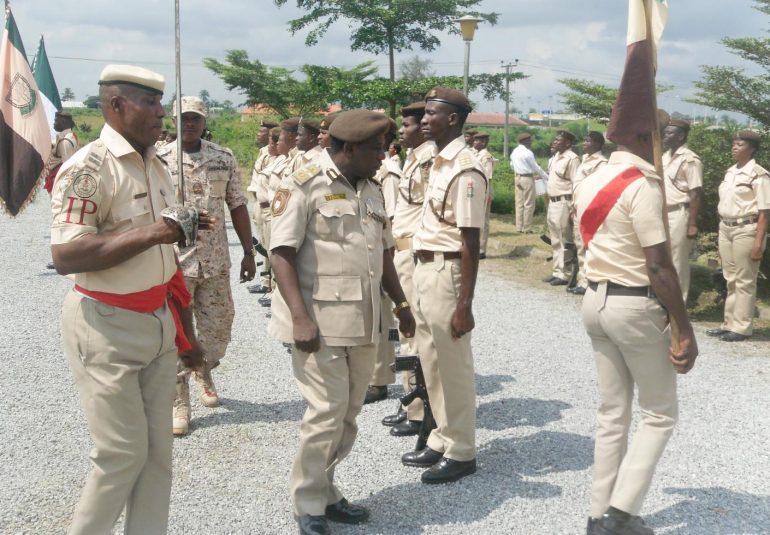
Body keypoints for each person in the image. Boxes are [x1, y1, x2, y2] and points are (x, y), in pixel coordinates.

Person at [50, 64, 209, 535]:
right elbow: (66, 253)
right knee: (121, 455)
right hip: (107, 325)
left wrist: (186, 332)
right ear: (116, 105)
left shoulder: (157, 162)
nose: (163, 112)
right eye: (151, 103)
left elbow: (166, 260)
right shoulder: (89, 167)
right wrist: (159, 231)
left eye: (162, 102)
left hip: (157, 323)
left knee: (158, 455)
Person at [268, 109, 415, 535]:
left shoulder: (370, 186)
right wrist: (299, 317)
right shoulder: (306, 183)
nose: (383, 156)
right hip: (319, 320)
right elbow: (281, 253)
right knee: (326, 412)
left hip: (363, 319)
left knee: (348, 413)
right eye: (375, 148)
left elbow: (384, 251)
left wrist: (402, 306)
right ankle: (308, 503)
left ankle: (327, 489)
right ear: (348, 147)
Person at [574, 111, 698, 535]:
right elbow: (660, 267)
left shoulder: (589, 177)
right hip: (634, 305)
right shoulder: (642, 185)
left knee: (613, 412)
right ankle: (620, 514)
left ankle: (598, 512)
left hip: (595, 298)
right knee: (660, 413)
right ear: (648, 138)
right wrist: (684, 327)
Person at [400, 87, 486, 484]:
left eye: (431, 114)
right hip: (424, 268)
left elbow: (470, 241)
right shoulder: (438, 161)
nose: (424, 121)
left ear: (452, 119)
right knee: (430, 360)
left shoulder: (465, 168)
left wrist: (464, 304)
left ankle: (463, 450)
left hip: (447, 272)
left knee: (453, 366)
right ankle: (441, 435)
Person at [158, 96, 256, 435]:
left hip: (214, 262)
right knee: (175, 335)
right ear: (173, 120)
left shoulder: (222, 157)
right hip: (173, 265)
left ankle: (203, 366)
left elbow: (238, 206)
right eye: (183, 118)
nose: (189, 123)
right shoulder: (156, 160)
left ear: (204, 120)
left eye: (195, 118)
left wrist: (248, 251)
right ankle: (178, 399)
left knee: (219, 332)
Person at [381, 100, 435, 436]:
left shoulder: (430, 160)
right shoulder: (414, 158)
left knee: (414, 333)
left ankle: (420, 411)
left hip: (414, 251)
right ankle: (411, 401)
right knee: (405, 334)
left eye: (409, 124)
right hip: (401, 251)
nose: (402, 131)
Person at [706, 130, 770, 342]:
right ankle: (729, 324)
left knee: (744, 279)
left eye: (740, 144)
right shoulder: (731, 172)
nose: (734, 147)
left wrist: (758, 242)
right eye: (733, 143)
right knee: (730, 278)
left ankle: (742, 327)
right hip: (726, 227)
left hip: (747, 229)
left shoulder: (758, 175)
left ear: (751, 149)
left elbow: (764, 212)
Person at [365, 119, 402, 405]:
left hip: (384, 252)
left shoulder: (386, 175)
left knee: (382, 318)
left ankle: (380, 380)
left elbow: (390, 215)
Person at [662, 119, 703, 302]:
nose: (665, 135)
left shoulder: (690, 160)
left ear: (681, 136)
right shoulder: (663, 156)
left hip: (679, 212)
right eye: (665, 132)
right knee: (662, 258)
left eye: (670, 133)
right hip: (662, 212)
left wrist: (692, 224)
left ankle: (678, 304)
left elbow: (695, 193)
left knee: (677, 262)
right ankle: (663, 300)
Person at [569, 131, 608, 295]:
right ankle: (582, 280)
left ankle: (588, 282)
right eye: (584, 140)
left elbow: (599, 188)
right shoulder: (584, 160)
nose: (584, 143)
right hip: (578, 207)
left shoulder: (601, 163)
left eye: (588, 140)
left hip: (590, 209)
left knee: (589, 245)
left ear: (598, 144)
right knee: (580, 245)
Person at [544, 131, 580, 286]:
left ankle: (565, 273)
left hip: (564, 202)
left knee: (564, 239)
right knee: (555, 239)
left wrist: (574, 207)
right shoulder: (554, 158)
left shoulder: (572, 159)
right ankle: (557, 271)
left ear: (568, 143)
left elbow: (576, 183)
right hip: (552, 202)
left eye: (559, 140)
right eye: (556, 138)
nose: (555, 142)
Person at [247, 120, 278, 295]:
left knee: (270, 246)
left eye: (261, 132)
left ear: (270, 134)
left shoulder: (276, 154)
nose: (258, 135)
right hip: (259, 202)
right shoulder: (263, 152)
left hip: (269, 206)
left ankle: (270, 285)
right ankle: (265, 280)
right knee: (262, 242)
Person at [510, 132, 548, 233]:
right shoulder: (528, 153)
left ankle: (519, 227)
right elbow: (536, 167)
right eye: (530, 140)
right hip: (527, 178)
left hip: (517, 177)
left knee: (519, 203)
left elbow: (512, 165)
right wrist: (546, 177)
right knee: (529, 203)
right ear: (525, 141)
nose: (531, 142)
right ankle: (527, 228)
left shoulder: (515, 151)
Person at [44, 111, 79, 194]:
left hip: (60, 183)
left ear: (63, 122)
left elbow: (67, 167)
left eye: (56, 121)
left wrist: (63, 188)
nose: (54, 123)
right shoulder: (70, 136)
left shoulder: (65, 141)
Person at [473, 132, 496, 259]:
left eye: (477, 141)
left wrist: (486, 195)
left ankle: (481, 249)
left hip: (484, 192)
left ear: (483, 143)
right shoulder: (475, 155)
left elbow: (487, 178)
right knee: (476, 220)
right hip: (476, 192)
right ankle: (476, 246)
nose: (474, 142)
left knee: (483, 221)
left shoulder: (486, 157)